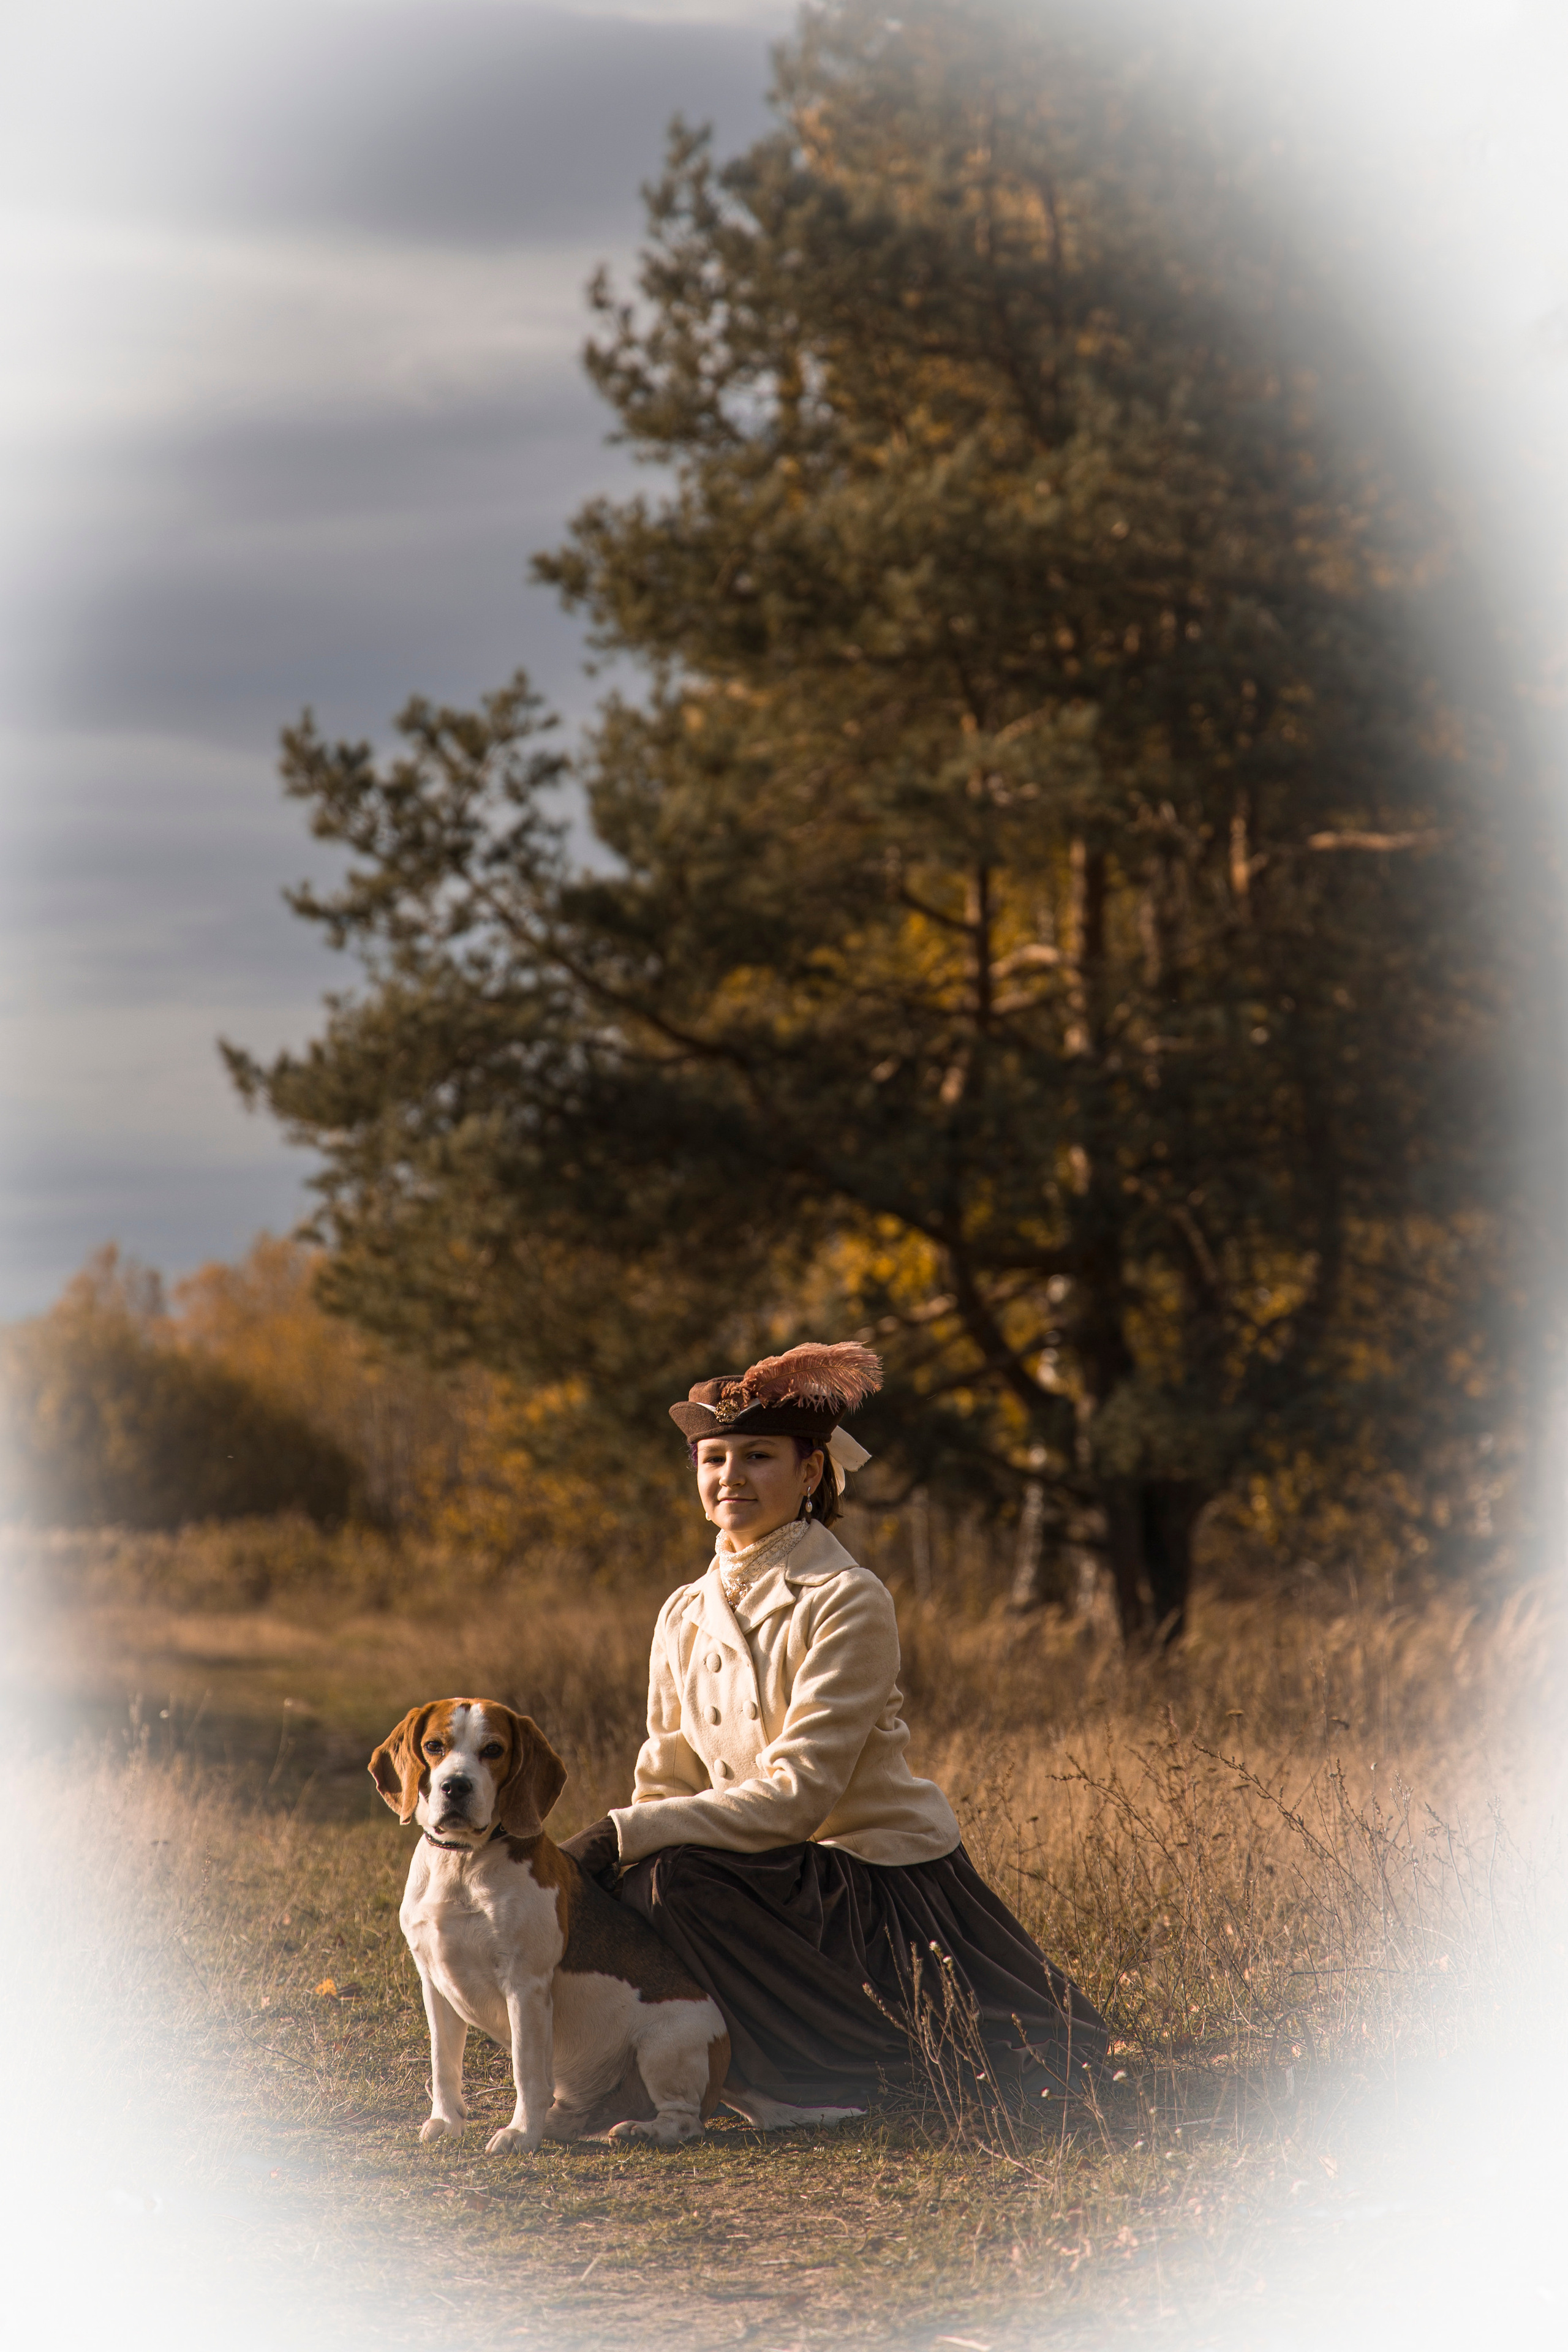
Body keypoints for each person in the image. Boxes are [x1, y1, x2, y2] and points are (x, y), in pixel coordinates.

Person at [561, 1341, 1107, 2124]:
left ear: (810, 1471)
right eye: (713, 1459)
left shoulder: (848, 1598)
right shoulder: (683, 1611)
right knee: (644, 1882)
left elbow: (798, 1800)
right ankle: (698, 2066)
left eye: (758, 1456)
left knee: (669, 1876)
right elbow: (667, 1778)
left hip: (863, 1884)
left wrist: (619, 1832)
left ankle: (837, 2069)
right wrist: (625, 1853)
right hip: (756, 1874)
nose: (731, 1478)